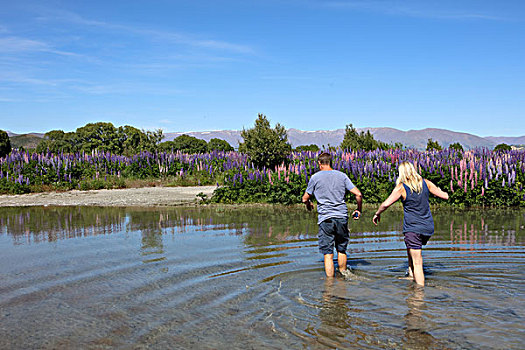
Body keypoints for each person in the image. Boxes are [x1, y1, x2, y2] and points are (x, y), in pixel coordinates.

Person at [372, 161, 449, 286]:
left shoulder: (402, 187)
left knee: (418, 262)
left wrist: (377, 213)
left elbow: (385, 204)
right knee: (411, 249)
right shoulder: (426, 183)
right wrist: (441, 190)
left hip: (413, 228)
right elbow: (445, 196)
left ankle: (419, 294)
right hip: (427, 227)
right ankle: (411, 276)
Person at [302, 152, 363, 277]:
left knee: (328, 254)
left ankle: (330, 286)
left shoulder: (315, 177)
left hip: (325, 219)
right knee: (341, 249)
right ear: (331, 162)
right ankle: (343, 277)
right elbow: (358, 194)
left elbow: (304, 198)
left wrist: (309, 205)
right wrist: (358, 209)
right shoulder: (342, 176)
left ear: (319, 163)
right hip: (341, 217)